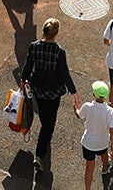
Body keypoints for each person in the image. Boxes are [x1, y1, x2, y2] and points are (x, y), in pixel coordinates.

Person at [16, 16, 80, 165]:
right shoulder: (59, 52)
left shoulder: (34, 46)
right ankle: (39, 155)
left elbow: (28, 65)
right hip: (54, 91)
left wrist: (23, 79)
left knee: (44, 115)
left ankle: (44, 136)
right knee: (49, 124)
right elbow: (65, 74)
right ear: (56, 33)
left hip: (38, 88)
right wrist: (74, 92)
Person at [77, 80, 113, 189]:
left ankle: (87, 188)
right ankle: (105, 167)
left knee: (89, 168)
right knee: (103, 154)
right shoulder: (110, 111)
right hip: (102, 142)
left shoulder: (87, 106)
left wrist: (75, 108)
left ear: (94, 94)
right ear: (106, 97)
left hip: (88, 143)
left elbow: (79, 115)